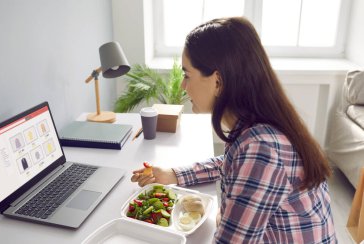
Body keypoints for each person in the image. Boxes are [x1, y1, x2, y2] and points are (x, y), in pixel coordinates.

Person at [131, 17, 336, 243]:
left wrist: (223, 217)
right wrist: (174, 174)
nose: (183, 86)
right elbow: (230, 163)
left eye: (187, 75)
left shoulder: (261, 149)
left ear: (217, 82)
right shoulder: (255, 129)